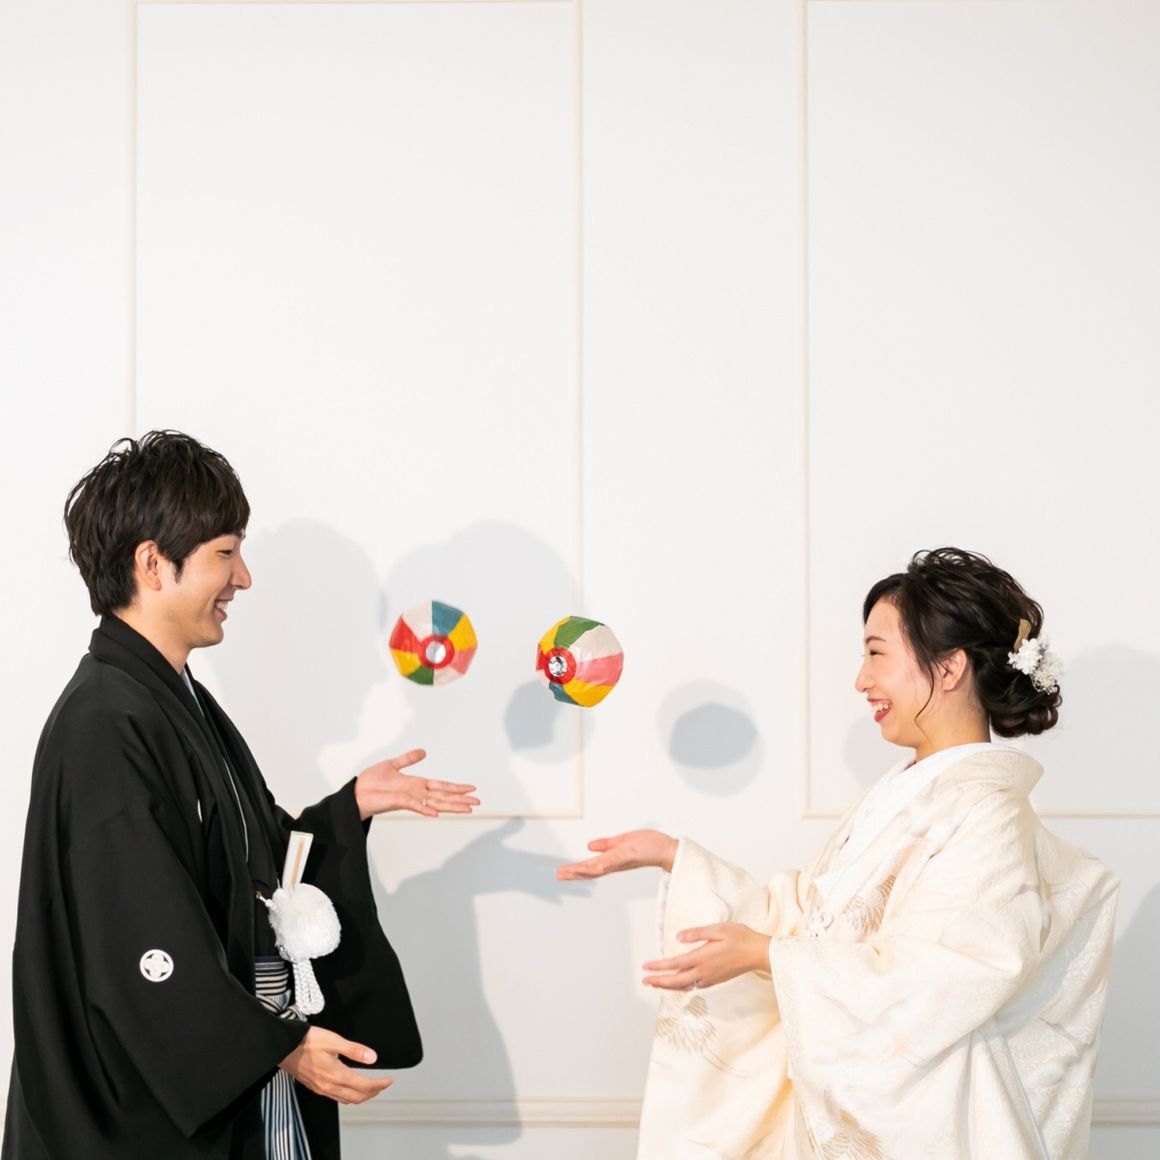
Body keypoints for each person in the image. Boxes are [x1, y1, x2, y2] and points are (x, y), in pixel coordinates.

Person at [3, 431, 480, 1159]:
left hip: (238, 1076)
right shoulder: (105, 721)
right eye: (226, 553)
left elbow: (246, 862)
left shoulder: (168, 701)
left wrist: (347, 810)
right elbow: (136, 935)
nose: (244, 578)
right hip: (142, 1118)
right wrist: (275, 1046)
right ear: (152, 564)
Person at [559, 548, 1118, 1159]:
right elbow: (813, 916)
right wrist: (677, 858)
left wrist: (766, 954)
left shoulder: (987, 813)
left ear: (950, 667)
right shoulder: (908, 792)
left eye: (877, 653)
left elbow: (945, 979)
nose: (861, 680)